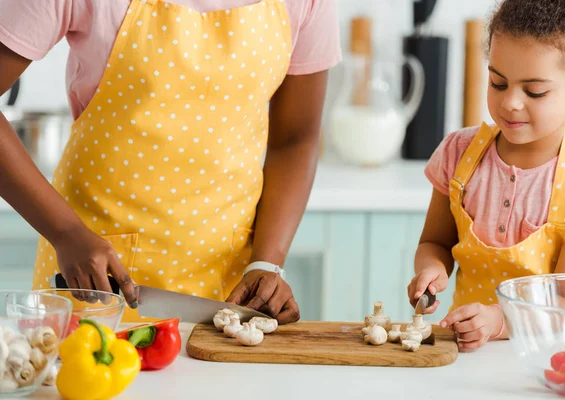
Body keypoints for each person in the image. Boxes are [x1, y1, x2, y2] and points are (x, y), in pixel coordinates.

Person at [0, 0, 341, 323]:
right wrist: (65, 232)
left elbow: (294, 139)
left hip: (229, 294)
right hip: (94, 279)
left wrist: (267, 262)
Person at [407, 0, 565, 351]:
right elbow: (435, 243)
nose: (510, 102)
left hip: (555, 354)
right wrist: (432, 269)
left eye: (534, 91)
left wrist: (499, 320)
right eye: (498, 82)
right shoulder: (459, 153)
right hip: (471, 347)